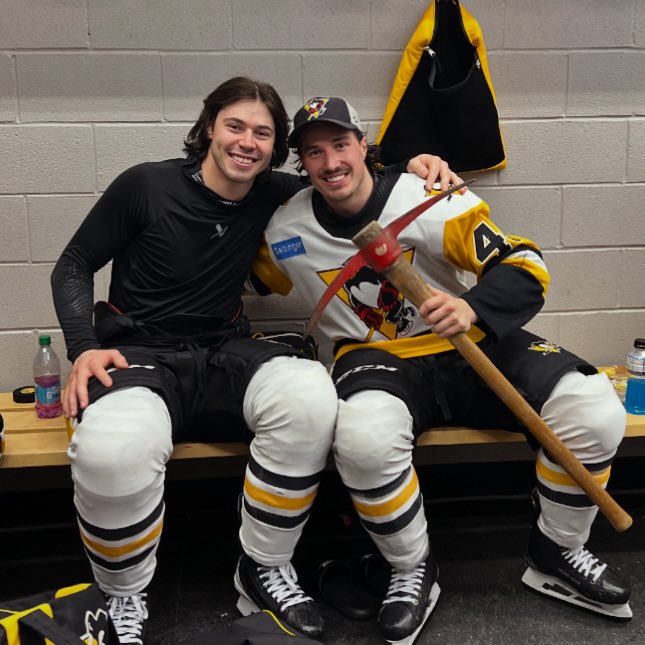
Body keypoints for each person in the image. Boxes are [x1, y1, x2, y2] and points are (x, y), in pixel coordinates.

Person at [50, 77, 461, 643]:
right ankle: (122, 597)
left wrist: (413, 165)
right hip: (140, 350)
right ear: (209, 128)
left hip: (223, 348)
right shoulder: (145, 184)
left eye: (263, 134)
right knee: (111, 449)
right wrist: (83, 347)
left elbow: (345, 177)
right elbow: (73, 263)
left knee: (310, 398)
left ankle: (264, 567)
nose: (247, 142)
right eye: (235, 126)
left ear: (274, 148)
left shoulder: (275, 192)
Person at [249, 96, 631, 643]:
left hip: (465, 338)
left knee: (592, 408)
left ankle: (558, 551)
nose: (330, 162)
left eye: (340, 144)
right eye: (314, 152)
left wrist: (472, 308)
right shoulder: (285, 228)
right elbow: (239, 279)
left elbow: (524, 262)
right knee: (363, 440)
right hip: (374, 357)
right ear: (302, 163)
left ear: (363, 146)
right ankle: (411, 569)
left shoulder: (425, 195)